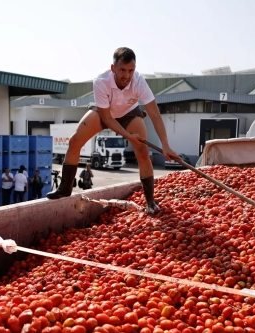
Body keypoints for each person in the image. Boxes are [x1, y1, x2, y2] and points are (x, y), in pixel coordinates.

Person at [46, 47, 177, 214]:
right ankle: (64, 189)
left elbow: (155, 114)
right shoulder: (101, 81)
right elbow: (107, 118)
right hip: (105, 112)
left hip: (130, 112)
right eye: (122, 70)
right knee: (74, 141)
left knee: (143, 152)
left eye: (131, 71)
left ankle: (150, 202)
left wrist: (165, 145)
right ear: (113, 68)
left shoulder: (139, 82)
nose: (127, 76)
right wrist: (128, 136)